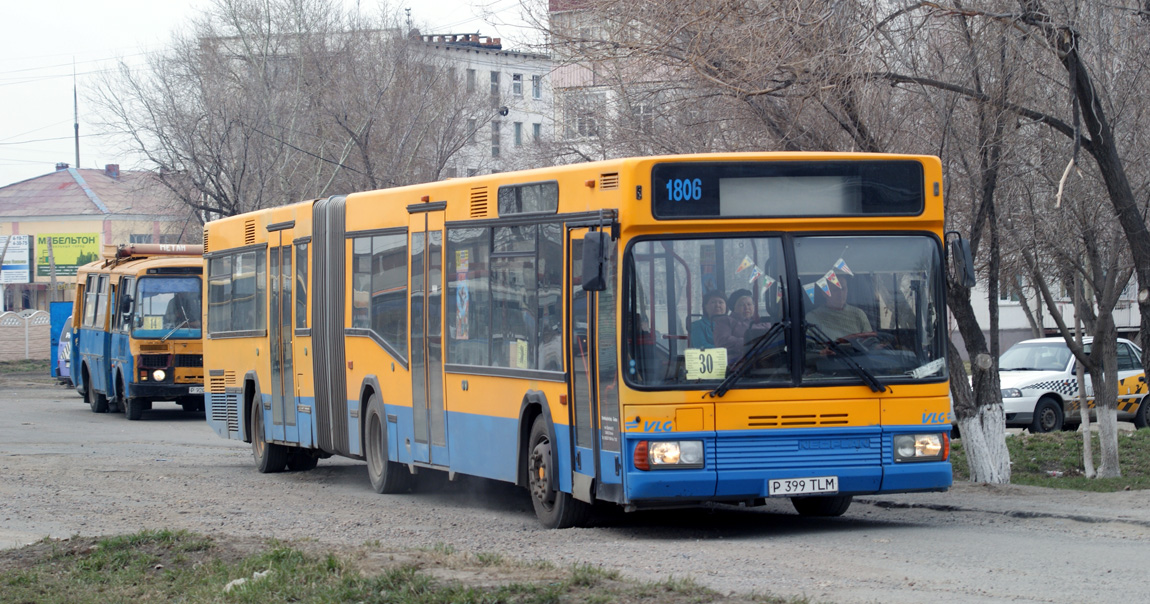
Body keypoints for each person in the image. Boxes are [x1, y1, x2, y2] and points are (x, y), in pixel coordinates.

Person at [715, 289, 771, 361]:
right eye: (742, 305)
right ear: (733, 307)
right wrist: (748, 342)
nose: (746, 307)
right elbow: (722, 341)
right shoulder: (725, 321)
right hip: (739, 363)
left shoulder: (764, 322)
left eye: (749, 304)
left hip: (766, 357)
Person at [806, 278, 871, 340]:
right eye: (835, 290)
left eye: (843, 289)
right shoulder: (812, 317)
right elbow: (809, 347)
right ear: (824, 293)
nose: (840, 294)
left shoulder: (858, 314)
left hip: (857, 351)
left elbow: (870, 342)